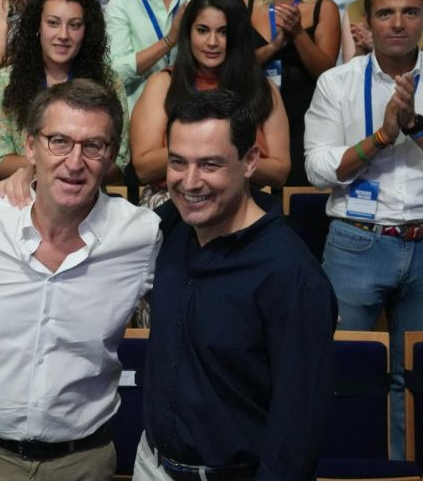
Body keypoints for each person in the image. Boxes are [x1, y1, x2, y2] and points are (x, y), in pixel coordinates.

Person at [0, 79, 162, 481]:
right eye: (59, 141)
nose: (75, 161)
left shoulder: (140, 236)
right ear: (31, 146)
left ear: (111, 155)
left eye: (93, 145)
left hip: (81, 464)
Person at [135, 88, 336, 480]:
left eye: (210, 164)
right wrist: (28, 177)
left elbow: (297, 430)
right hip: (152, 465)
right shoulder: (170, 227)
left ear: (250, 161)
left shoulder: (292, 275)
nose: (190, 182)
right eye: (178, 162)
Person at [305, 0, 423, 461]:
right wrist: (381, 137)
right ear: (367, 21)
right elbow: (317, 169)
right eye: (385, 12)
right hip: (356, 241)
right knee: (338, 367)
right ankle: (335, 468)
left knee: (414, 379)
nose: (397, 23)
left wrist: (415, 128)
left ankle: (402, 469)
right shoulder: (337, 82)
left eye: (410, 12)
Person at [132, 0, 290, 209]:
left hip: (241, 203)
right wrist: (212, 153)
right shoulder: (163, 83)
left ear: (238, 35)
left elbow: (280, 172)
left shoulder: (262, 88)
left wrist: (224, 158)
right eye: (203, 30)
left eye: (223, 32)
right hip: (172, 200)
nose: (212, 42)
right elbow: (143, 167)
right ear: (188, 33)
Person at [0, 0, 128, 190]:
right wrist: (54, 165)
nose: (63, 35)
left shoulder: (109, 83)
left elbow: (117, 163)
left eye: (74, 25)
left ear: (87, 30)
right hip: (21, 197)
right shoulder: (2, 83)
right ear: (37, 25)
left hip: (86, 198)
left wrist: (59, 164)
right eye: (53, 23)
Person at [249, 0, 339, 185]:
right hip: (254, 108)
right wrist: (272, 47)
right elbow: (232, 67)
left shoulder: (324, 7)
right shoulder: (245, 5)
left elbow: (326, 73)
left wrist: (298, 33)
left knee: (298, 189)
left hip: (306, 112)